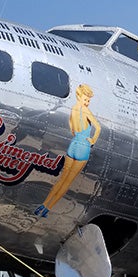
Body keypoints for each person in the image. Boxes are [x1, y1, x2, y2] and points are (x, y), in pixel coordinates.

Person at [35, 83, 101, 217]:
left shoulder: (74, 108)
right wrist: (92, 140)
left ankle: (43, 204)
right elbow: (98, 127)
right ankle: (47, 209)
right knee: (68, 182)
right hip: (83, 147)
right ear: (79, 96)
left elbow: (72, 128)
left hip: (73, 144)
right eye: (86, 99)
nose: (87, 102)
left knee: (62, 179)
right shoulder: (86, 111)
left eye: (88, 100)